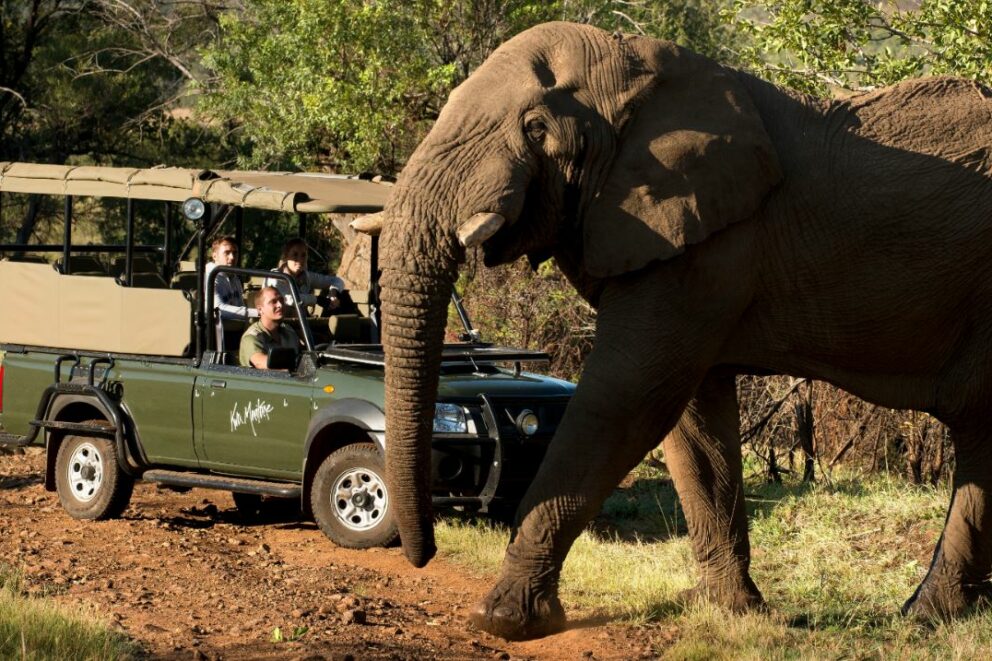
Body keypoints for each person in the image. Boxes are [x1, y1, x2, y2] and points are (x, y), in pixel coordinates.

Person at [265, 238, 345, 314]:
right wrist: (316, 299)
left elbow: (337, 281)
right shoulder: (276, 276)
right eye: (295, 255)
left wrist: (333, 293)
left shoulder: (306, 277)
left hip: (301, 322)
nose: (300, 259)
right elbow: (288, 299)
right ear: (286, 256)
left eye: (303, 255)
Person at [239, 286, 300, 369]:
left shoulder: (288, 331)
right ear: (260, 309)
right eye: (273, 302)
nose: (280, 305)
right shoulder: (252, 337)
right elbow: (260, 363)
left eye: (281, 300)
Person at [205, 236, 258, 321]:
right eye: (227, 252)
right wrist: (258, 313)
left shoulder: (234, 276)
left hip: (236, 326)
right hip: (217, 330)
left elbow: (240, 305)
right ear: (215, 256)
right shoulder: (209, 277)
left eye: (235, 253)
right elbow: (219, 310)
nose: (232, 257)